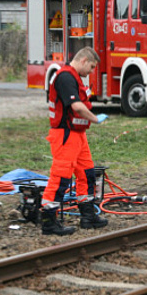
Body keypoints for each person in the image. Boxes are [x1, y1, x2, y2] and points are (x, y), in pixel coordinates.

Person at [41, 47, 109, 236]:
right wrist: (95, 119)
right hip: (65, 134)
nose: (91, 72)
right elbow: (76, 106)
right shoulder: (65, 77)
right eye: (92, 67)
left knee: (86, 173)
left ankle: (88, 216)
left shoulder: (74, 78)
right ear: (84, 60)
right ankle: (49, 222)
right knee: (61, 177)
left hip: (77, 134)